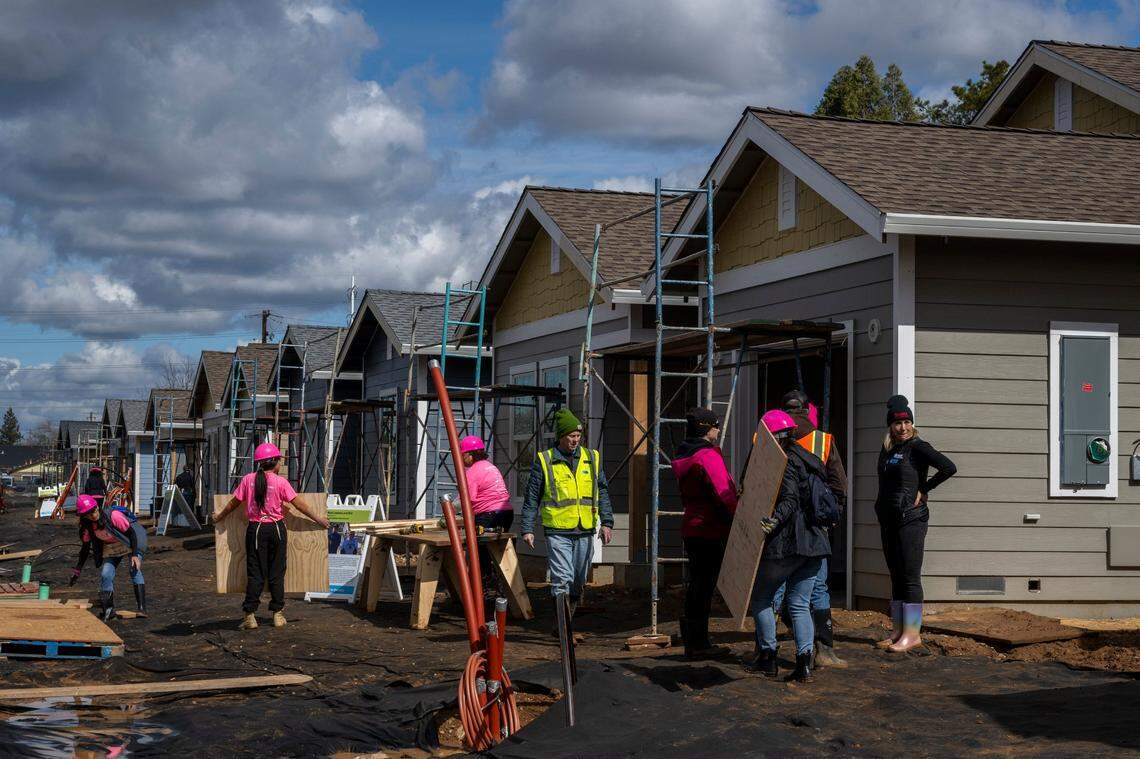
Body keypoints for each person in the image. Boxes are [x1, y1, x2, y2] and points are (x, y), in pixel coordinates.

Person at [748, 409, 833, 683]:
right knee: (799, 604)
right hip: (815, 544)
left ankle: (768, 658)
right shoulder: (810, 458)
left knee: (761, 598)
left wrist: (773, 521)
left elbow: (789, 499)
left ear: (772, 438)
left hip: (789, 544)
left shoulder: (782, 461)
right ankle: (803, 665)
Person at [213, 442, 330, 630]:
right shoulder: (281, 482)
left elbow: (233, 504)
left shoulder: (248, 480)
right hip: (276, 529)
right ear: (274, 462)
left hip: (256, 530)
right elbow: (300, 505)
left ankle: (250, 616)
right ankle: (278, 614)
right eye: (279, 461)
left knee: (255, 573)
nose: (280, 464)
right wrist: (319, 519)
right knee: (277, 572)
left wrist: (219, 517)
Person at [772, 389, 849, 668]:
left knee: (774, 588)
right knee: (816, 588)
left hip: (779, 525)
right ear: (807, 410)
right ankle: (823, 650)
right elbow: (840, 485)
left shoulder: (768, 436)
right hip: (814, 527)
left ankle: (765, 652)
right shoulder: (823, 440)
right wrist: (831, 516)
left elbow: (753, 482)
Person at [875, 395, 957, 653]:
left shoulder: (918, 447)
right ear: (891, 426)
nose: (903, 427)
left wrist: (925, 487)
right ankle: (898, 631)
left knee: (910, 577)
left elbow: (948, 467)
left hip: (911, 519)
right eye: (898, 423)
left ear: (912, 424)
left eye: (907, 422)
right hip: (889, 518)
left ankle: (913, 634)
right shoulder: (889, 449)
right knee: (896, 576)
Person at [521, 409, 613, 632]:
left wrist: (607, 522)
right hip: (558, 530)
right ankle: (563, 631)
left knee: (577, 581)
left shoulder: (592, 458)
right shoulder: (545, 460)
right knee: (561, 579)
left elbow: (602, 491)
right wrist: (527, 528)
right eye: (571, 436)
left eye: (578, 436)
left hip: (585, 529)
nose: (575, 441)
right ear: (560, 436)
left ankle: (565, 623)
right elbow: (532, 497)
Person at [672, 407, 738, 659]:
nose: (719, 430)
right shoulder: (706, 456)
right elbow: (725, 494)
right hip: (709, 528)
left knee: (697, 585)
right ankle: (699, 644)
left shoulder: (686, 454)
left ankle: (694, 642)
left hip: (693, 526)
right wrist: (740, 516)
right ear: (705, 428)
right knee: (704, 586)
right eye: (715, 426)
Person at [71, 493, 148, 620]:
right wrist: (77, 570)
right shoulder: (88, 527)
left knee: (134, 569)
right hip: (112, 546)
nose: (93, 514)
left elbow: (131, 533)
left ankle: (142, 609)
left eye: (94, 510)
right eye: (88, 514)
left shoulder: (113, 516)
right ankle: (109, 610)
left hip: (129, 541)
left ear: (97, 507)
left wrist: (134, 555)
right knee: (106, 574)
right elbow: (84, 550)